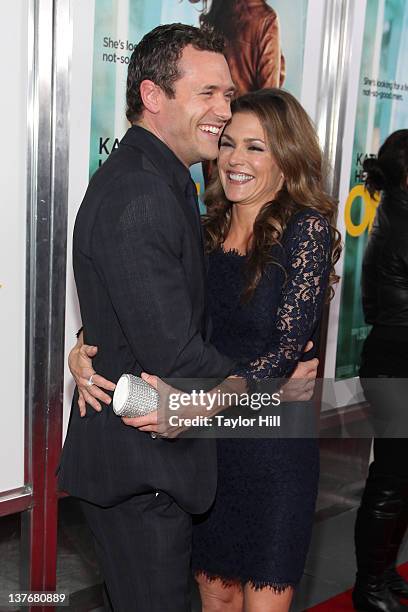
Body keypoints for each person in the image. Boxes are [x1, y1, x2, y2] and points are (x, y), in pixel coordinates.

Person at [61, 24, 317, 612]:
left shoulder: (173, 188)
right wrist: (264, 387)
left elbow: (156, 311)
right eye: (209, 95)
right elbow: (170, 345)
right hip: (164, 449)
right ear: (154, 96)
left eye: (228, 97)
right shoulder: (152, 194)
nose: (223, 119)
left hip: (234, 445)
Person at [353, 130, 408, 612]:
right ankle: (369, 586)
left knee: (398, 476)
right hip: (396, 362)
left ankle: (383, 574)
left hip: (393, 356)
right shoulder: (401, 217)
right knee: (390, 478)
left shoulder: (396, 208)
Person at [190, 0, 285, 95]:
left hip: (222, 105)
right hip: (241, 106)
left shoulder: (220, 13)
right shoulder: (264, 18)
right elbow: (269, 96)